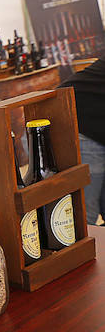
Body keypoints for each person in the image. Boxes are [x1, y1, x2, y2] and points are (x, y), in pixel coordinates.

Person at [59, 56, 105, 224]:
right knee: (86, 212)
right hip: (84, 127)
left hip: (96, 124)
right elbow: (64, 91)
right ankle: (84, 248)